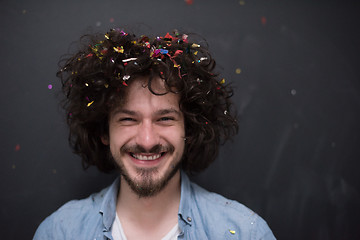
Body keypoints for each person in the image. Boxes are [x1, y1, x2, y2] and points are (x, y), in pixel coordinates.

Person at [33, 28, 276, 240]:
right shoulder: (59, 232)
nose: (147, 140)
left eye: (165, 119)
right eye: (128, 119)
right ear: (104, 131)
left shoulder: (246, 234)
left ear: (188, 129)